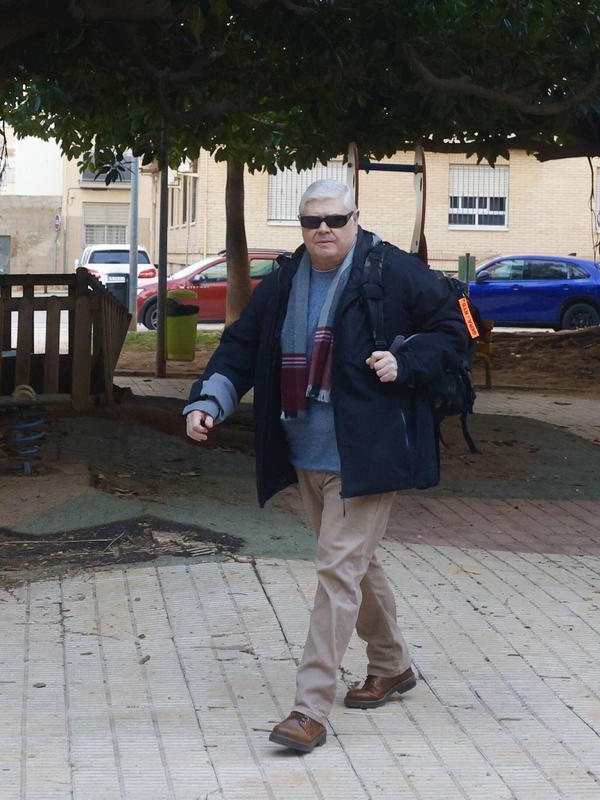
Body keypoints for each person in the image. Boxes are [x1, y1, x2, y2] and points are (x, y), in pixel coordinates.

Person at [183, 179, 469, 753]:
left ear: (354, 218)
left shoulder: (390, 271)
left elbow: (454, 330)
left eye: (335, 220)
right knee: (355, 565)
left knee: (337, 571)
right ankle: (391, 664)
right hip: (304, 450)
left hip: (367, 452)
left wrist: (406, 360)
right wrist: (208, 399)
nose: (324, 230)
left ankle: (308, 709)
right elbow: (241, 346)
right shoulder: (285, 280)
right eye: (312, 221)